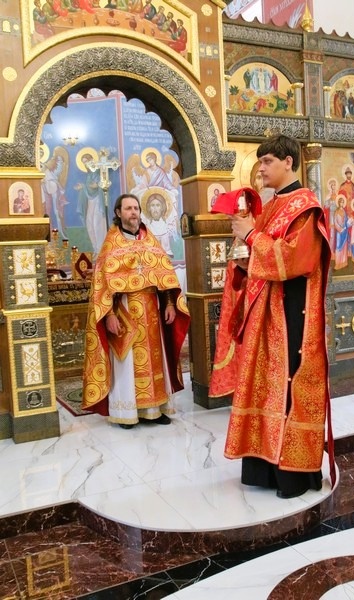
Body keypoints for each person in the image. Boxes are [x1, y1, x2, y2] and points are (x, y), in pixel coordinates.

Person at [209, 134, 335, 499]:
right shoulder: (271, 207)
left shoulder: (304, 206)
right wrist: (242, 261)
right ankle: (264, 471)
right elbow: (259, 259)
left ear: (288, 162)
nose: (261, 168)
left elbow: (297, 259)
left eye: (267, 161)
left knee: (289, 388)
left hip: (292, 315)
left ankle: (292, 475)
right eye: (260, 161)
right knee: (265, 389)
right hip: (265, 318)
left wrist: (251, 235)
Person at [81, 193, 190, 428]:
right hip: (125, 312)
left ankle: (156, 410)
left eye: (136, 208)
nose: (134, 212)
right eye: (128, 208)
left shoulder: (150, 241)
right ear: (118, 213)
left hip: (152, 311)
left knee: (155, 360)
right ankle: (127, 412)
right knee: (127, 364)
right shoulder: (111, 244)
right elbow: (102, 284)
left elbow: (164, 275)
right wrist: (109, 315)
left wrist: (170, 303)